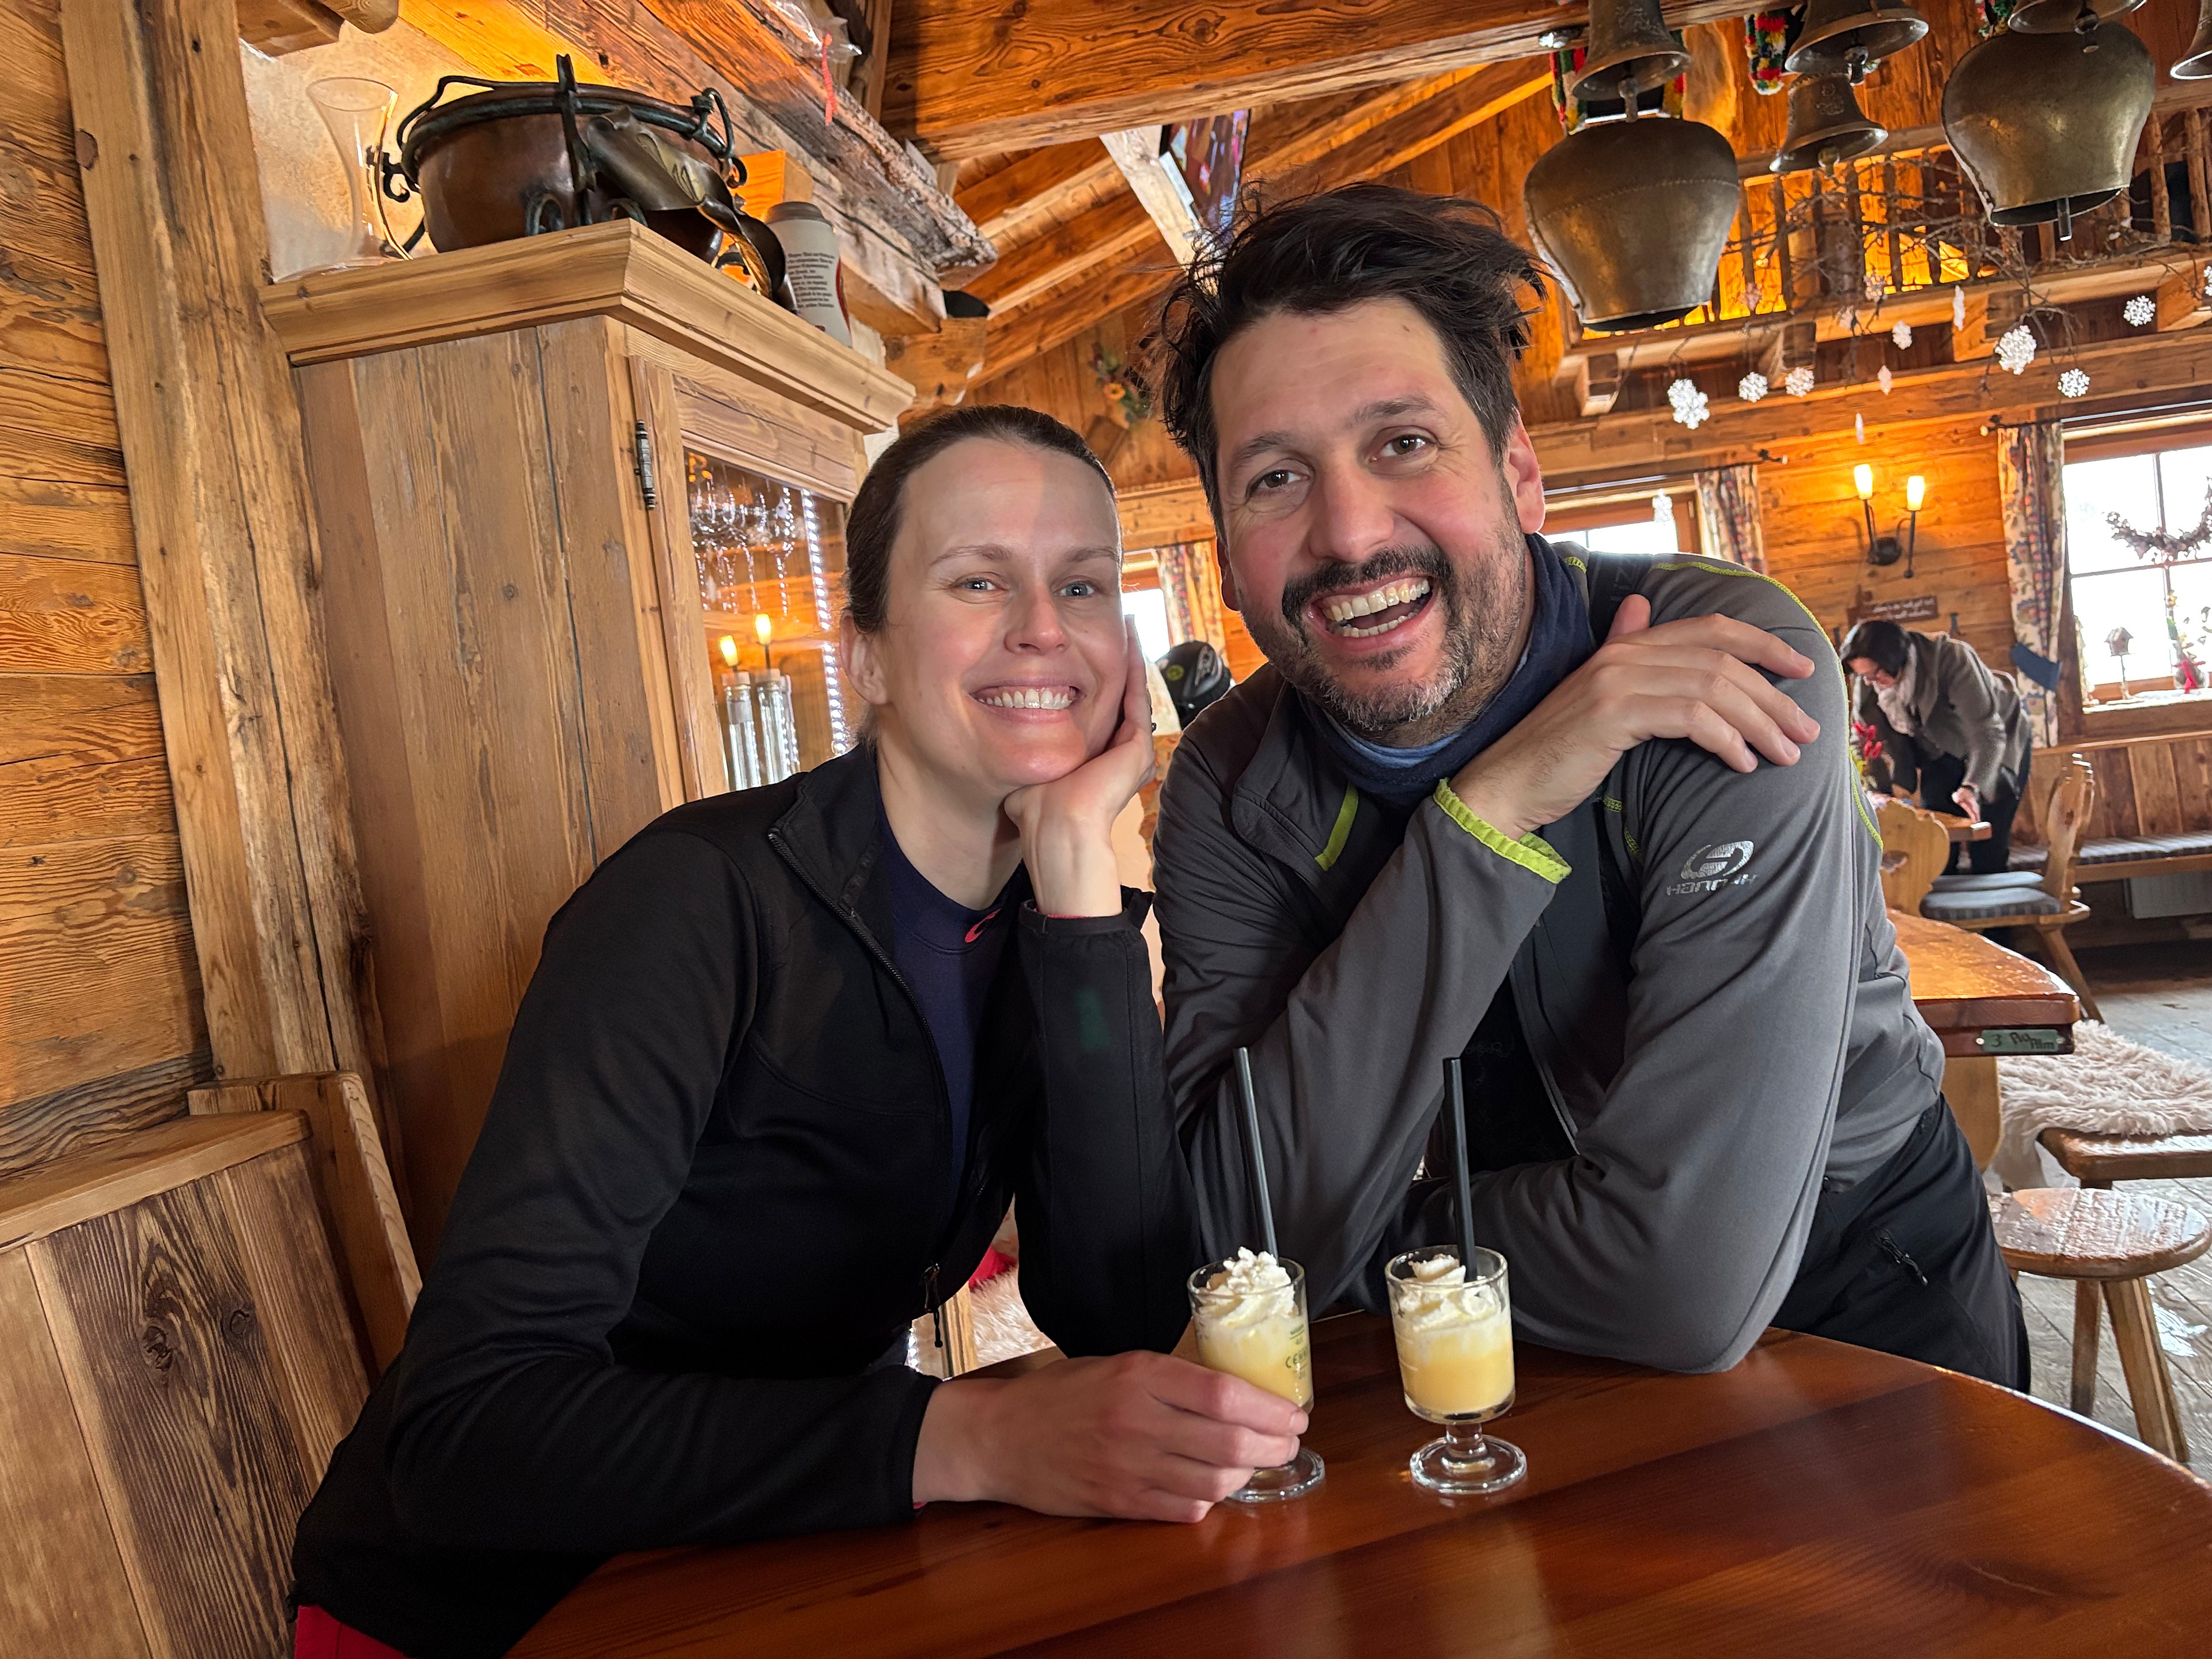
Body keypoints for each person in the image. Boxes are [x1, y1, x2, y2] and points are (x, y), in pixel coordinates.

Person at [290, 406, 1306, 1659]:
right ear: (865, 654)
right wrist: (959, 1434)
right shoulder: (692, 905)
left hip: (770, 1560)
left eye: (1084, 584)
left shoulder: (1044, 916)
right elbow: (466, 1437)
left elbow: (1120, 1310)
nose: (1044, 627)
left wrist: (1080, 885)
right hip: (487, 1613)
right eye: (978, 580)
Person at [1146, 185, 2027, 1389]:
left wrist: (1347, 1250)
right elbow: (1225, 1236)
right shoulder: (1228, 784)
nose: (1349, 534)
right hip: (1495, 1342)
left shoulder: (1725, 651)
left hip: (1862, 1299)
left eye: (1403, 444)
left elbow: (1688, 1281)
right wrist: (1488, 815)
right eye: (1274, 479)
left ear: (1519, 473)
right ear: (1225, 558)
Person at [1841, 618, 2033, 874]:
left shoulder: (1952, 658)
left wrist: (1972, 787)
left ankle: (1993, 891)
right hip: (1939, 750)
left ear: (1894, 660)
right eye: (1863, 676)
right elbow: (1864, 740)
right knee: (1935, 843)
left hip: (1996, 742)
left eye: (1874, 674)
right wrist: (1877, 791)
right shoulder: (1869, 682)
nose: (1868, 682)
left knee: (1987, 845)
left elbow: (1987, 731)